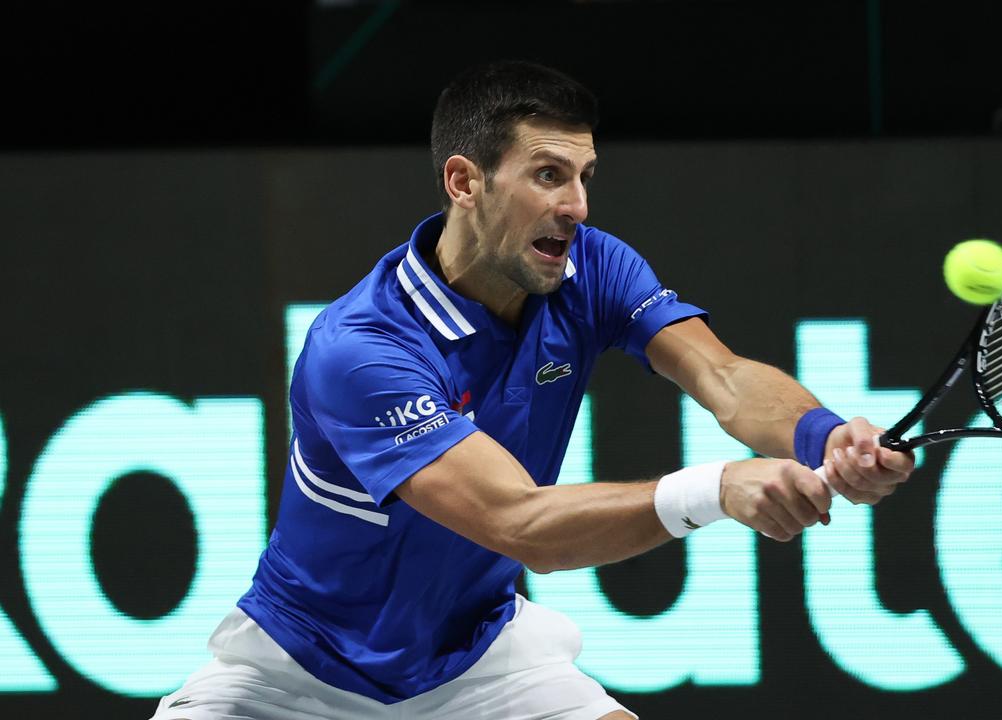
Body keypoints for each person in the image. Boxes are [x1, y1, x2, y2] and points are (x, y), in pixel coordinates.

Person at [151, 59, 915, 720]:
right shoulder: (360, 349)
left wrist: (824, 435)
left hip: (475, 661)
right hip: (293, 676)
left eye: (584, 177)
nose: (577, 205)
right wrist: (715, 488)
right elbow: (520, 524)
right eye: (548, 174)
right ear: (464, 181)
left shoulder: (593, 266)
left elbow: (723, 377)